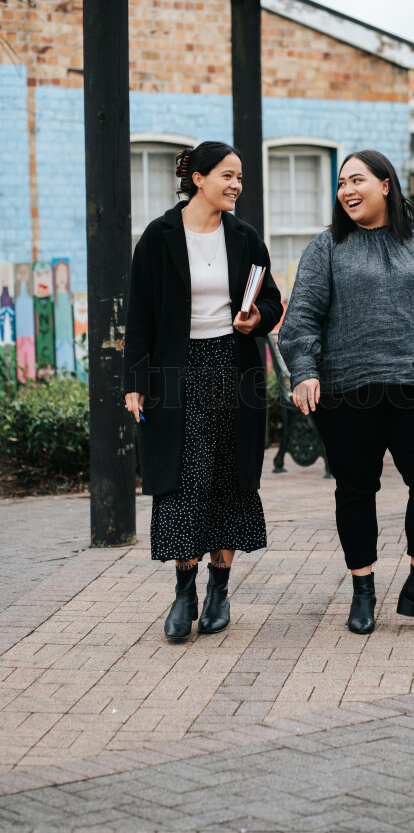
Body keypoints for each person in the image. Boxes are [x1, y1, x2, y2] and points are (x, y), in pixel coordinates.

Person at [278, 150, 414, 635]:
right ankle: (363, 591)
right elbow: (301, 316)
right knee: (356, 489)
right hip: (347, 391)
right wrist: (304, 370)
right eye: (341, 183)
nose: (346, 190)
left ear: (385, 184)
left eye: (356, 180)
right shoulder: (327, 247)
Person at [123, 141, 283, 641]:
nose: (236, 185)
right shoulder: (158, 236)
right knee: (183, 481)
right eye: (228, 176)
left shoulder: (245, 237)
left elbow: (272, 302)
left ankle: (220, 588)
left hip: (234, 368)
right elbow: (141, 317)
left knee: (229, 478)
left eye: (240, 177)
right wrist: (136, 383)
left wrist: (258, 317)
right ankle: (184, 591)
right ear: (198, 178)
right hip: (178, 370)